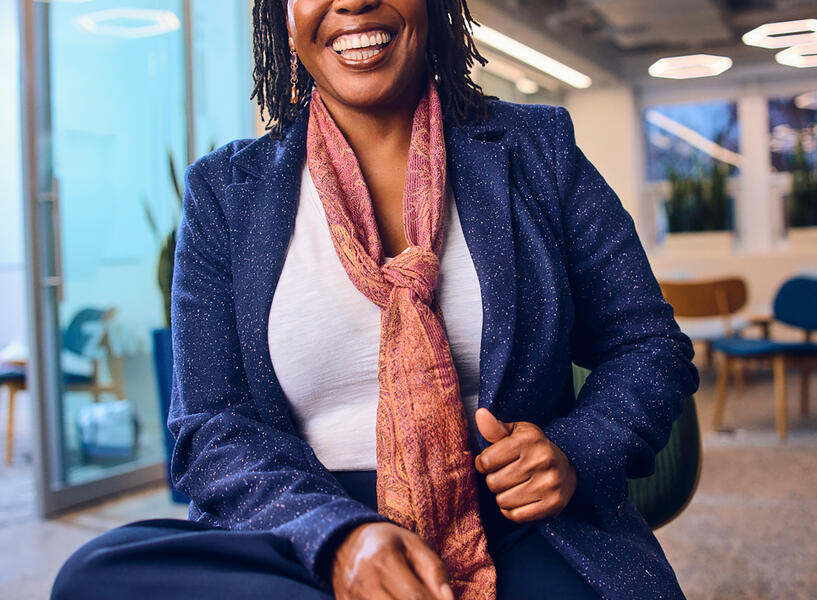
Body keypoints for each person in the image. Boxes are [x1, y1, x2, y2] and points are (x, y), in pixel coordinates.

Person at [51, 0, 699, 599]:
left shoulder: (537, 150)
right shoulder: (226, 193)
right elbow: (211, 425)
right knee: (94, 575)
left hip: (508, 519)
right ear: (281, 15)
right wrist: (340, 539)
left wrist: (576, 451)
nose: (353, 1)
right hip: (303, 525)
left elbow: (647, 345)